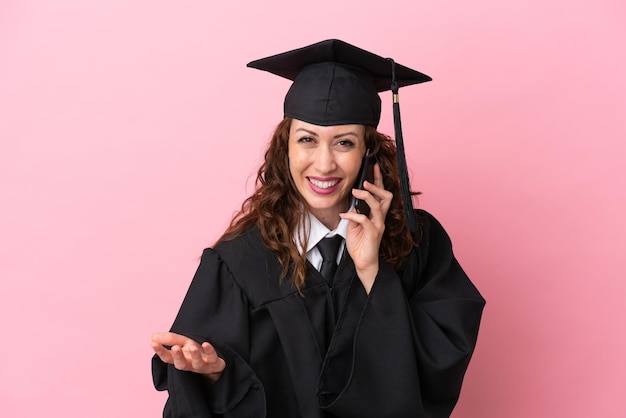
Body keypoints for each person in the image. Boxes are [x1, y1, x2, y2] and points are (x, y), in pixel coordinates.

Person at [151, 39, 485, 418]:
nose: (324, 164)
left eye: (344, 142)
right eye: (307, 140)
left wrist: (373, 273)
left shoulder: (417, 243)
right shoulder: (239, 260)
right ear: (285, 148)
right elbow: (197, 393)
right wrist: (214, 376)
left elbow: (437, 368)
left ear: (368, 151)